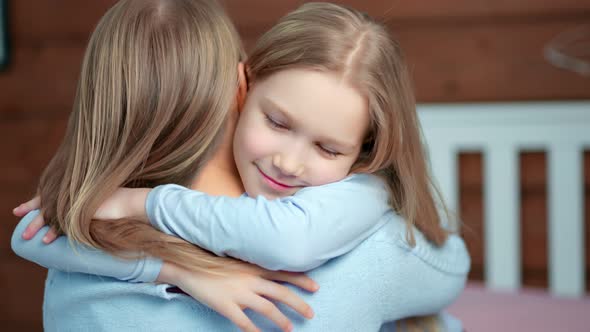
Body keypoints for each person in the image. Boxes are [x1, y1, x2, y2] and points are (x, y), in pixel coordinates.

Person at [12, 1, 470, 331]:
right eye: (276, 121)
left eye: (329, 149)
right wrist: (177, 270)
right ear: (243, 86)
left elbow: (288, 239)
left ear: (363, 155)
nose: (289, 163)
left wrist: (142, 203)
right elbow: (30, 234)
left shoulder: (353, 196)